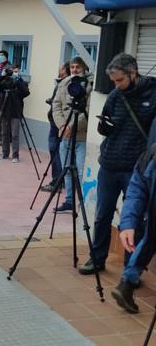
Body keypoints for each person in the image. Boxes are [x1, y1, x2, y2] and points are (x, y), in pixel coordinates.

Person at [79, 53, 156, 275]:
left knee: (133, 221)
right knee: (102, 214)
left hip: (136, 170)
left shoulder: (152, 94)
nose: (117, 85)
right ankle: (97, 258)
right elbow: (105, 124)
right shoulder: (115, 95)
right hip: (110, 164)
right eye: (113, 81)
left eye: (120, 80)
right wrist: (104, 126)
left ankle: (131, 269)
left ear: (133, 73)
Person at [109, 122, 156, 313]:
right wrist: (127, 223)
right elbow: (137, 188)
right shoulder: (151, 155)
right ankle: (127, 284)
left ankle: (127, 283)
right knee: (148, 238)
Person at [51, 57, 93, 212]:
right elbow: (56, 105)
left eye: (78, 67)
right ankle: (69, 201)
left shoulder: (90, 84)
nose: (75, 69)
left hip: (82, 135)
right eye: (72, 67)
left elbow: (89, 109)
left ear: (84, 67)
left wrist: (71, 125)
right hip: (65, 135)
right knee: (66, 170)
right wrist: (62, 125)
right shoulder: (64, 82)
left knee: (81, 172)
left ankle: (83, 204)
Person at [0, 60, 29, 163]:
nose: (14, 73)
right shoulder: (5, 81)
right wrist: (2, 76)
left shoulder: (21, 82)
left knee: (15, 134)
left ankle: (15, 155)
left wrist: (17, 81)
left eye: (16, 71)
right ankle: (4, 153)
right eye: (13, 71)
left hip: (16, 111)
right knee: (4, 133)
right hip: (4, 110)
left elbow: (26, 92)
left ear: (19, 71)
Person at [41, 62, 71, 193]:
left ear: (65, 71)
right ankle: (60, 181)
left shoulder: (64, 84)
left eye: (61, 69)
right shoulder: (63, 83)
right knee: (58, 152)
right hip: (59, 122)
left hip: (58, 123)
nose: (59, 70)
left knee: (55, 151)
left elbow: (59, 103)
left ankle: (57, 182)